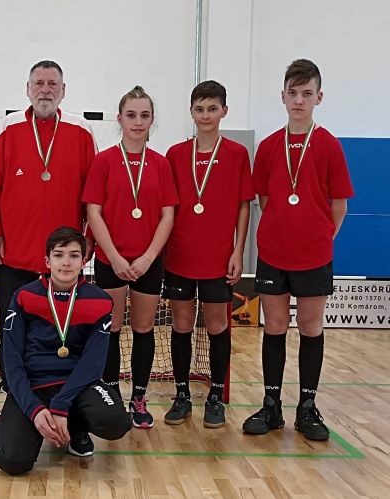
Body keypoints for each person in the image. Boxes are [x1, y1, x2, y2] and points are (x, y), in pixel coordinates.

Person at [243, 59, 354, 441]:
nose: (299, 100)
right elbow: (264, 199)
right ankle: (271, 405)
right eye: (293, 93)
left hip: (314, 256)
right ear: (283, 96)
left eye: (307, 93)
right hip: (274, 253)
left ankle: (307, 408)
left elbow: (339, 206)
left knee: (310, 327)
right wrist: (284, 234)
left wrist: (320, 239)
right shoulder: (270, 146)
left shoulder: (329, 145)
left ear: (319, 97)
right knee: (274, 326)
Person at [0, 60, 97, 393]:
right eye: (39, 84)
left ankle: (63, 391)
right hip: (16, 255)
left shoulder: (81, 130)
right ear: (28, 89)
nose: (45, 90)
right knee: (13, 329)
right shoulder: (8, 128)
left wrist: (88, 240)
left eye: (52, 84)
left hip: (64, 262)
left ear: (63, 90)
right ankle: (13, 391)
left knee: (64, 331)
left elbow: (94, 194)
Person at [0, 227, 131, 475]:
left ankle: (74, 427)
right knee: (13, 462)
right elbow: (12, 360)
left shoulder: (100, 301)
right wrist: (34, 409)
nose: (66, 262)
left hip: (78, 385)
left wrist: (61, 406)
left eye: (74, 255)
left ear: (84, 261)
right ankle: (7, 423)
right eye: (58, 255)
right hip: (34, 385)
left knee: (116, 422)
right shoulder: (24, 296)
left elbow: (94, 363)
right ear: (47, 261)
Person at [82, 86, 178, 429]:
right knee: (111, 329)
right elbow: (93, 212)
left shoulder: (161, 164)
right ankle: (111, 394)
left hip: (148, 262)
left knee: (143, 328)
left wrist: (149, 257)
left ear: (152, 120)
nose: (138, 122)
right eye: (131, 115)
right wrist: (114, 256)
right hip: (112, 260)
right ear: (120, 118)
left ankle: (139, 397)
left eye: (144, 115)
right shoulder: (104, 161)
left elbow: (168, 215)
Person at [163, 80, 254, 428]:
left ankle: (215, 395)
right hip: (180, 256)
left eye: (212, 109)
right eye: (199, 109)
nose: (205, 115)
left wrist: (238, 250)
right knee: (182, 324)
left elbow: (244, 205)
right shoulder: (175, 154)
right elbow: (166, 209)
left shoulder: (237, 154)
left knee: (217, 325)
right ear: (191, 112)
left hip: (218, 258)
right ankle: (182, 394)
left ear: (224, 111)